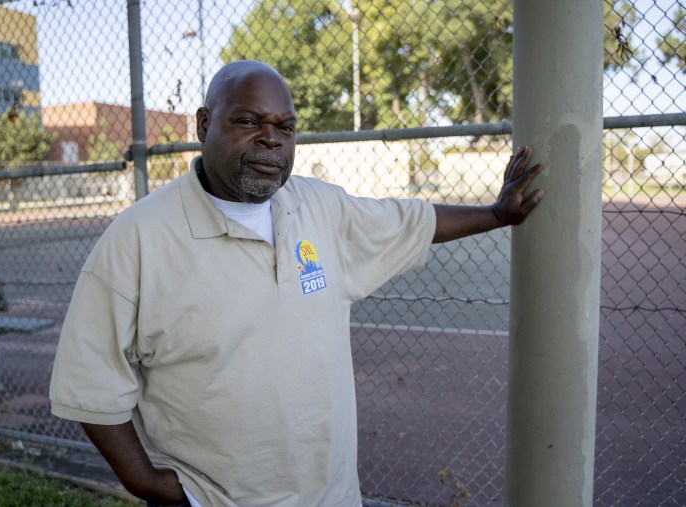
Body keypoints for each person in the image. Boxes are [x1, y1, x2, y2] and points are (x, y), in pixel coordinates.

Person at [49, 60, 545, 507]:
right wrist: (148, 483)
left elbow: (412, 221)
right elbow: (91, 379)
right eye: (248, 121)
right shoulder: (138, 238)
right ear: (203, 125)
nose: (271, 139)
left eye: (285, 127)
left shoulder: (320, 207)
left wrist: (496, 214)